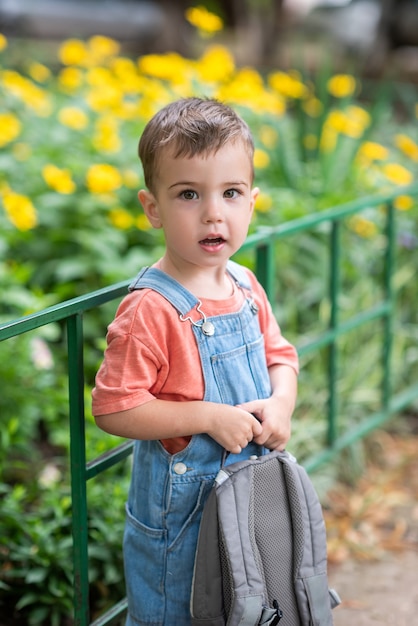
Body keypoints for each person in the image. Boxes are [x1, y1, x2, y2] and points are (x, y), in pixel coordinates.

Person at [92, 97, 299, 626]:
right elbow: (116, 409)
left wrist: (280, 405)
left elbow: (281, 356)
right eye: (188, 194)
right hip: (180, 523)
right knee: (179, 615)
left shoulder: (245, 286)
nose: (213, 212)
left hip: (250, 501)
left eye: (230, 193)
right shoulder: (151, 309)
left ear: (251, 203)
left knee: (247, 607)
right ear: (153, 207)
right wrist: (207, 417)